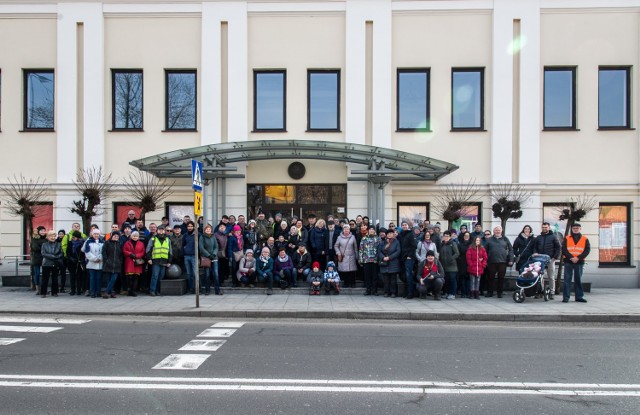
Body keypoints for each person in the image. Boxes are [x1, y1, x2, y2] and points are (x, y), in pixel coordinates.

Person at [562, 223, 590, 303]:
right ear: (572, 229)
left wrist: (578, 258)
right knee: (567, 280)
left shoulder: (585, 239)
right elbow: (564, 249)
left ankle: (579, 297)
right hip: (568, 261)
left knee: (578, 280)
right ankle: (566, 297)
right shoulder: (567, 238)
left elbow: (587, 250)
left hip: (579, 261)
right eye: (574, 228)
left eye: (577, 228)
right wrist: (571, 257)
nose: (575, 229)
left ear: (580, 229)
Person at [533, 222, 561, 300]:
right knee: (539, 276)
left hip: (550, 259)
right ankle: (541, 292)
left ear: (549, 227)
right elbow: (535, 247)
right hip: (539, 259)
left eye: (546, 227)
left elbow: (558, 248)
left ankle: (552, 292)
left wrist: (555, 257)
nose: (544, 228)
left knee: (551, 276)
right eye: (543, 227)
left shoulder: (553, 237)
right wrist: (535, 253)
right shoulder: (538, 237)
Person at [484, 225, 514, 298]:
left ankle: (499, 293)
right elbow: (485, 251)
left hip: (502, 262)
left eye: (499, 230)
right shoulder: (489, 240)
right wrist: (485, 260)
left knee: (501, 278)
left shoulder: (505, 239)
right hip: (491, 261)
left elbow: (511, 250)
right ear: (494, 231)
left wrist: (511, 259)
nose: (497, 231)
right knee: (491, 278)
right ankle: (490, 292)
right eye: (496, 230)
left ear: (501, 231)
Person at [146, 225, 173, 296]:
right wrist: (149, 259)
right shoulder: (153, 239)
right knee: (155, 276)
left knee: (161, 276)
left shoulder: (168, 239)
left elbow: (170, 252)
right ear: (157, 231)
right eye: (159, 230)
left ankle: (157, 290)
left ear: (164, 231)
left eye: (162, 230)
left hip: (164, 261)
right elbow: (148, 250)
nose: (161, 231)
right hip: (156, 261)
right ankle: (152, 290)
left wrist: (169, 261)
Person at [377, 227, 401, 297]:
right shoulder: (383, 242)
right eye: (388, 234)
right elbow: (379, 251)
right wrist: (383, 257)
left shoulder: (396, 242)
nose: (390, 235)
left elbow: (398, 251)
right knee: (385, 279)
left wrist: (389, 257)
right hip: (384, 263)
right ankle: (386, 292)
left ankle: (393, 292)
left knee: (393, 279)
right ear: (386, 235)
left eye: (391, 233)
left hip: (393, 262)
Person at [40, 230, 63, 298]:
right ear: (48, 237)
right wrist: (53, 256)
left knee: (55, 278)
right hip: (46, 263)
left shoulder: (58, 244)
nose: (52, 237)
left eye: (54, 236)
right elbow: (43, 253)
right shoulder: (44, 244)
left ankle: (54, 292)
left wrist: (57, 257)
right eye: (51, 236)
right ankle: (43, 292)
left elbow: (61, 253)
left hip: (55, 263)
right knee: (45, 279)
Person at [398, 221, 418, 299]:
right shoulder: (401, 235)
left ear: (408, 226)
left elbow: (414, 246)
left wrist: (409, 256)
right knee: (404, 276)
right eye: (403, 225)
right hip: (403, 258)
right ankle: (406, 292)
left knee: (408, 275)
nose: (404, 226)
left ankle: (410, 293)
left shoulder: (411, 234)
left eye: (405, 225)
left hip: (409, 258)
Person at [359, 225, 380, 296]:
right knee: (367, 276)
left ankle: (374, 290)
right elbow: (361, 250)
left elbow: (380, 250)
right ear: (368, 230)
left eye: (372, 229)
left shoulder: (378, 239)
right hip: (366, 260)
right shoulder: (364, 238)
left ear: (374, 231)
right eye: (370, 229)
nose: (371, 230)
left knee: (375, 276)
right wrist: (361, 260)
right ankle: (368, 290)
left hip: (375, 260)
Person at [123, 231, 146, 296]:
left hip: (137, 262)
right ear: (131, 236)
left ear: (138, 237)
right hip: (129, 261)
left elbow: (143, 252)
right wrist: (130, 254)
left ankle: (133, 290)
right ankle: (129, 290)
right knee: (129, 277)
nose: (135, 237)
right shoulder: (127, 243)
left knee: (136, 277)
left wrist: (136, 255)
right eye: (133, 236)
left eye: (136, 236)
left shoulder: (141, 243)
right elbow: (124, 250)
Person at [199, 224, 220, 296]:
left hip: (214, 257)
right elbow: (201, 248)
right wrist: (208, 255)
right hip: (206, 258)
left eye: (209, 229)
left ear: (211, 230)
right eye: (207, 229)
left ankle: (217, 290)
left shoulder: (213, 236)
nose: (208, 230)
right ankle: (207, 290)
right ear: (205, 230)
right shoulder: (202, 237)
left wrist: (214, 254)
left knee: (216, 274)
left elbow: (216, 247)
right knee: (207, 274)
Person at [102, 231, 123, 298]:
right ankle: (111, 292)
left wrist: (120, 261)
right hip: (108, 263)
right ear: (112, 236)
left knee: (113, 278)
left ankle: (106, 291)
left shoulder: (119, 244)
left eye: (117, 236)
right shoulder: (107, 243)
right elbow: (104, 252)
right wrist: (106, 260)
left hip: (116, 264)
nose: (116, 237)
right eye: (115, 236)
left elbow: (121, 254)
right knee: (108, 279)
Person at [84, 229, 104, 298]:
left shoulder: (102, 242)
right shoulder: (88, 242)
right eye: (95, 234)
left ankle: (98, 292)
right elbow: (87, 252)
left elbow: (103, 252)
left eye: (97, 234)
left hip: (100, 263)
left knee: (99, 278)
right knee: (92, 278)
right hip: (91, 263)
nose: (96, 235)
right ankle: (92, 292)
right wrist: (94, 258)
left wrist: (99, 258)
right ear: (92, 234)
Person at [440, 231, 460, 300]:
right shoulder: (442, 244)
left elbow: (457, 253)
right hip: (444, 266)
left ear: (450, 237)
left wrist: (451, 259)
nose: (446, 237)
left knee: (452, 280)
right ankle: (446, 293)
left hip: (452, 266)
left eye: (447, 236)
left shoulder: (453, 243)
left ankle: (452, 293)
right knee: (446, 280)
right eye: (445, 236)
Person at [66, 231, 86, 296]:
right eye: (73, 237)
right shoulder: (70, 243)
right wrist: (71, 258)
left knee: (79, 276)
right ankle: (72, 290)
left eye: (75, 237)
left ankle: (78, 290)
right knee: (72, 276)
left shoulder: (82, 243)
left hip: (79, 262)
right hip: (72, 262)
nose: (74, 238)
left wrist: (81, 260)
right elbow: (68, 252)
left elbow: (83, 253)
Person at [30, 226, 47, 294]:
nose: (43, 232)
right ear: (38, 231)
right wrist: (43, 249)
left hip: (45, 258)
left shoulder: (46, 239)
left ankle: (43, 288)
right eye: (41, 231)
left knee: (45, 274)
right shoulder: (34, 239)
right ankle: (37, 288)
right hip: (36, 259)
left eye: (44, 230)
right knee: (36, 274)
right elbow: (35, 248)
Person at [182, 221, 197, 294]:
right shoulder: (185, 235)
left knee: (195, 273)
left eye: (191, 226)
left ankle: (198, 288)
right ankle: (191, 288)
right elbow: (183, 245)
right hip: (187, 256)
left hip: (194, 256)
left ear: (194, 227)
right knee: (189, 274)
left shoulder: (197, 235)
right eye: (188, 226)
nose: (190, 227)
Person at [457, 231, 472, 298]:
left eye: (468, 235)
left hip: (470, 263)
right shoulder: (459, 244)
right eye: (465, 235)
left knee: (468, 278)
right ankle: (463, 293)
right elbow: (458, 254)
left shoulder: (472, 244)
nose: (466, 237)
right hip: (462, 263)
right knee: (462, 278)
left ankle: (468, 292)